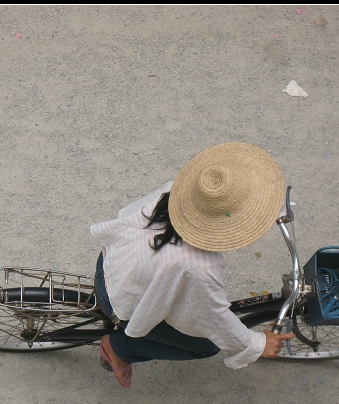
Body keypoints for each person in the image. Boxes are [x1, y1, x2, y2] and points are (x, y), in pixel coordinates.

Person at [90, 142, 296, 388]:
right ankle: (118, 348)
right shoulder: (199, 266)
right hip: (121, 300)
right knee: (207, 345)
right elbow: (212, 317)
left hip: (113, 263)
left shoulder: (175, 192)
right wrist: (257, 343)